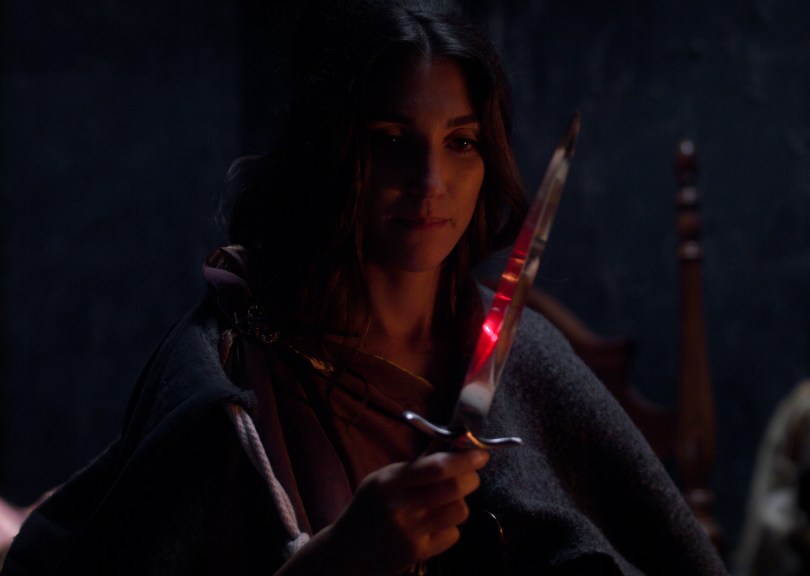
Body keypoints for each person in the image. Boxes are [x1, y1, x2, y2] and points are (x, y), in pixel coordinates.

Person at [2, 1, 726, 574]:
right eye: (389, 141)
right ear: (330, 150)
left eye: (461, 142)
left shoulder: (528, 359)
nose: (430, 182)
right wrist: (331, 564)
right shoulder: (224, 370)